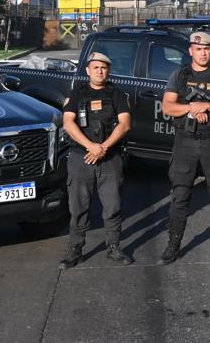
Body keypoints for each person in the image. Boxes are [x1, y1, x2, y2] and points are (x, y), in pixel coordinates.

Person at [159, 31, 210, 264]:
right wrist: (192, 108)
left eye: (207, 49)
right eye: (198, 49)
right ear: (190, 51)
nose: (203, 52)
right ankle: (173, 245)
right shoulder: (179, 75)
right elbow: (168, 107)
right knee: (180, 195)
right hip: (185, 141)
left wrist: (207, 105)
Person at [60, 51, 133, 268]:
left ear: (108, 71)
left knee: (113, 206)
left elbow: (125, 124)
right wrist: (90, 146)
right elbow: (68, 123)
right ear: (87, 70)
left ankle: (114, 247)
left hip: (110, 158)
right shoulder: (76, 93)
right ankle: (75, 249)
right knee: (78, 207)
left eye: (103, 68)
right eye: (95, 68)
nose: (100, 71)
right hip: (81, 158)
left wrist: (103, 147)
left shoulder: (117, 94)